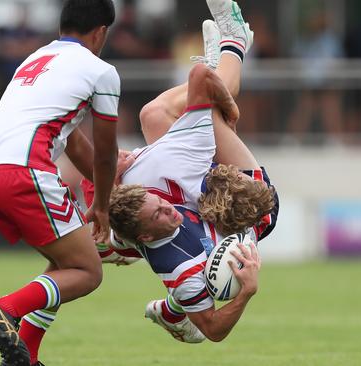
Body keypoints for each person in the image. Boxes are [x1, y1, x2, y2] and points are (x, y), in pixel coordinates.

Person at [87, 0, 278, 343]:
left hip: (190, 182)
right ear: (144, 237)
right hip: (249, 207)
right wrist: (246, 291)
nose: (168, 209)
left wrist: (112, 176)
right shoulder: (179, 266)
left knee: (152, 116)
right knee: (210, 109)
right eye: (160, 213)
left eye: (157, 203)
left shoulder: (140, 181)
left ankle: (173, 310)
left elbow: (102, 216)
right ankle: (233, 42)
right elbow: (214, 330)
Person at [0, 1, 119, 365]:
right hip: (25, 173)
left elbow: (75, 143)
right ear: (100, 32)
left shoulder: (35, 60)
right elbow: (104, 152)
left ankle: (27, 358)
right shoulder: (101, 71)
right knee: (87, 272)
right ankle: (5, 308)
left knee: (66, 260)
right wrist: (102, 204)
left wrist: (96, 189)